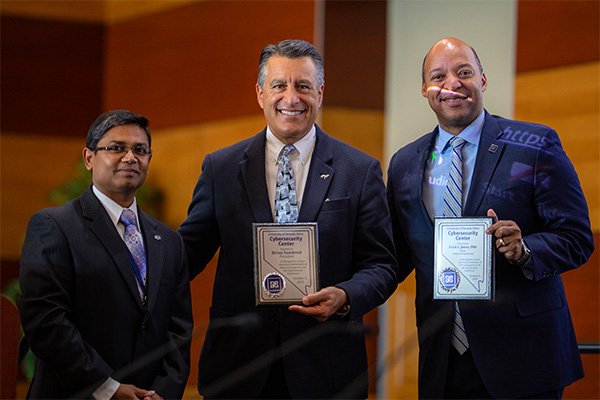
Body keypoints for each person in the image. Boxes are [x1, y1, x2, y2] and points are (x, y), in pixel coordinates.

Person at [178, 39, 397, 399]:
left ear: (321, 93)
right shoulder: (220, 169)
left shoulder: (359, 170)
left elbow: (382, 265)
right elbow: (186, 255)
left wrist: (344, 296)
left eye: (304, 86)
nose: (291, 98)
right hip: (238, 367)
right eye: (279, 85)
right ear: (260, 93)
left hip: (326, 368)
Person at [386, 37, 594, 399]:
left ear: (482, 80)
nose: (452, 83)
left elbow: (576, 237)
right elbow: (396, 253)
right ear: (425, 89)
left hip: (524, 356)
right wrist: (345, 291)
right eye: (439, 76)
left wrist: (526, 249)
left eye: (464, 72)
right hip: (443, 357)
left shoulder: (535, 145)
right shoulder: (404, 162)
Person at [18, 110, 193, 400]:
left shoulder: (170, 241)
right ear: (89, 158)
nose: (130, 157)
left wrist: (163, 391)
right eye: (116, 148)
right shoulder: (54, 226)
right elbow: (46, 320)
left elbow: (179, 328)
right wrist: (108, 388)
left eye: (140, 150)